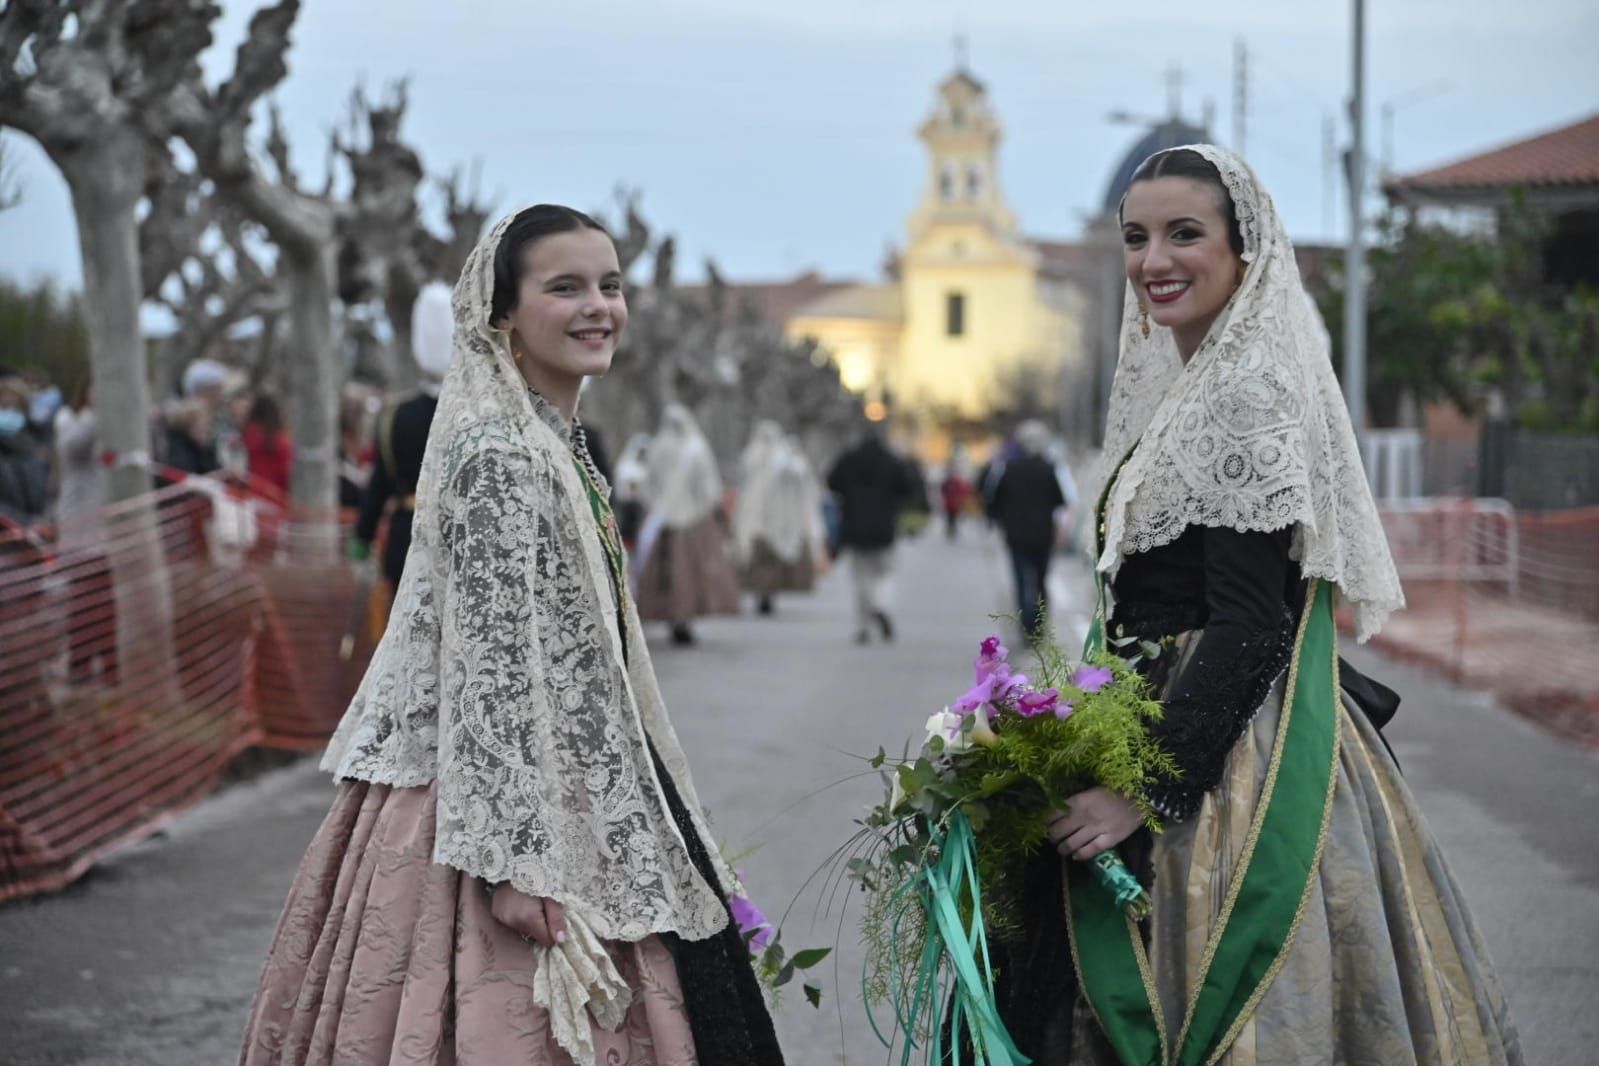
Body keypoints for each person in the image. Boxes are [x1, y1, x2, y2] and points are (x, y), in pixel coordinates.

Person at [988, 146, 1520, 1064]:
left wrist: (1137, 790)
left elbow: (1250, 622)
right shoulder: (1186, 395)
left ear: (1247, 251)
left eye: (1184, 234)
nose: (1155, 260)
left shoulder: (1243, 395)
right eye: (1136, 238)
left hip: (1230, 748)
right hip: (1167, 705)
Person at [239, 205, 783, 1066]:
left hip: (564, 781)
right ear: (500, 317)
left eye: (609, 285)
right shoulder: (503, 459)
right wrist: (514, 865)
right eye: (563, 287)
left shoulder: (553, 444)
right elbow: (489, 667)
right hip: (494, 818)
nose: (597, 306)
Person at [351, 280, 449, 593]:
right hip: (464, 540)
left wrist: (362, 538)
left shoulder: (395, 416)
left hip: (407, 542)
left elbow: (379, 485)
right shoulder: (479, 413)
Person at [634, 403, 741, 645]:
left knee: (666, 573)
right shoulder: (696, 450)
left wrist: (657, 505)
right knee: (689, 572)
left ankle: (671, 615)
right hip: (690, 520)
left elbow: (647, 485)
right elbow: (708, 488)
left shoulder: (658, 447)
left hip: (662, 521)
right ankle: (684, 618)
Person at [826, 424, 916, 645]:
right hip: (884, 527)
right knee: (885, 573)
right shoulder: (891, 460)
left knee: (860, 578)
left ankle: (863, 626)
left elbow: (831, 482)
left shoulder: (848, 459)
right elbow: (906, 487)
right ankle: (881, 605)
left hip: (854, 527)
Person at [732, 420, 823, 616]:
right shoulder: (752, 458)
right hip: (756, 519)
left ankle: (767, 594)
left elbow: (800, 478)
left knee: (769, 559)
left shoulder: (784, 460)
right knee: (760, 559)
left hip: (775, 519)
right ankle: (762, 593)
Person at [987, 419, 1066, 638]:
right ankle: (1039, 623)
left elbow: (994, 502)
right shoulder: (1049, 470)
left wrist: (1003, 520)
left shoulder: (1009, 470)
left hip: (1016, 535)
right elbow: (1060, 501)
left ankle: (1026, 625)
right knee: (1041, 580)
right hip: (1042, 535)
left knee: (1021, 581)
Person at [241, 392, 294, 497]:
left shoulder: (247, 435)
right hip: (276, 496)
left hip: (252, 493)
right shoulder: (280, 440)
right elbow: (287, 472)